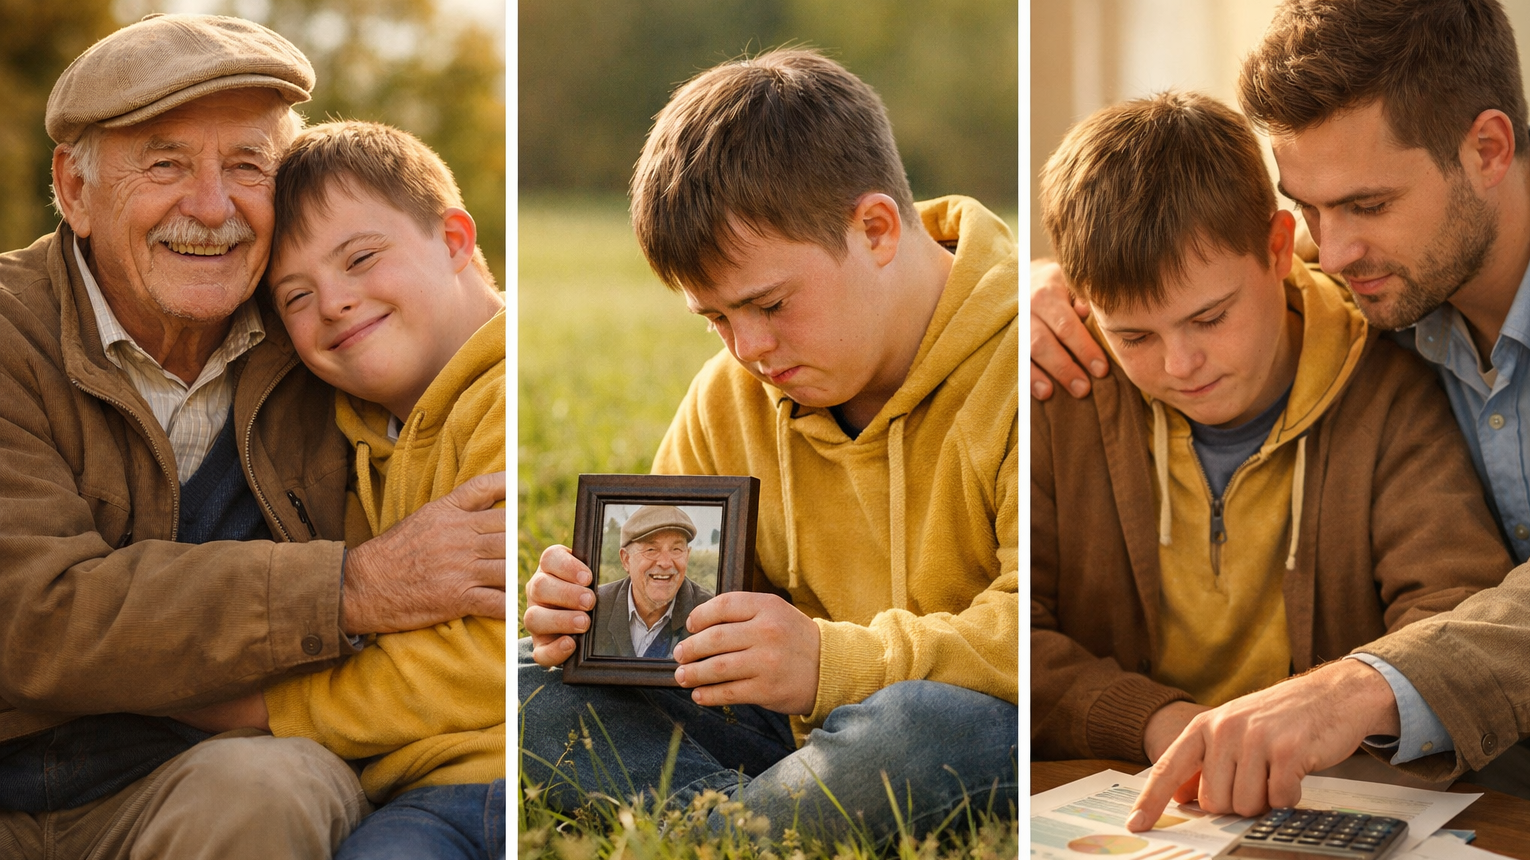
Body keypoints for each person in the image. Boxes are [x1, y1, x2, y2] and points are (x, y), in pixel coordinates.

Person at [1005, 0, 1530, 828]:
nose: (1339, 248)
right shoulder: (1396, 287)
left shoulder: (1380, 360)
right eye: (1315, 209)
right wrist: (1043, 281)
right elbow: (1205, 254)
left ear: (1488, 150)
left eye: (1366, 204)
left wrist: (1349, 691)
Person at [0, 15, 505, 859]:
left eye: (247, 166)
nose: (212, 206)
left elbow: (444, 322)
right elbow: (31, 617)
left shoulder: (324, 344)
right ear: (76, 190)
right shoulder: (13, 333)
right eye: (165, 163)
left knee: (274, 789)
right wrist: (353, 585)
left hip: (199, 779)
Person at [520, 48, 1018, 841]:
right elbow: (680, 619)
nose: (747, 349)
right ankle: (763, 820)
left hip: (935, 719)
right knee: (523, 685)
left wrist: (830, 665)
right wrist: (597, 622)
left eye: (771, 304)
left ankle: (707, 827)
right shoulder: (730, 391)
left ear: (878, 229)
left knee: (931, 732)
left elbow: (1035, 627)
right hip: (778, 732)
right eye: (715, 318)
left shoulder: (1026, 364)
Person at [177, 120, 508, 859]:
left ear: (454, 240)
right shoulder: (348, 436)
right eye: (295, 297)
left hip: (499, 781)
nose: (333, 303)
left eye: (360, 258)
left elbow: (491, 663)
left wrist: (270, 709)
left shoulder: (503, 398)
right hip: (405, 795)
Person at [591, 505, 714, 658]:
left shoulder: (709, 614)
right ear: (626, 559)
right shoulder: (593, 607)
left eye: (676, 549)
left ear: (687, 556)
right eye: (651, 550)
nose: (665, 562)